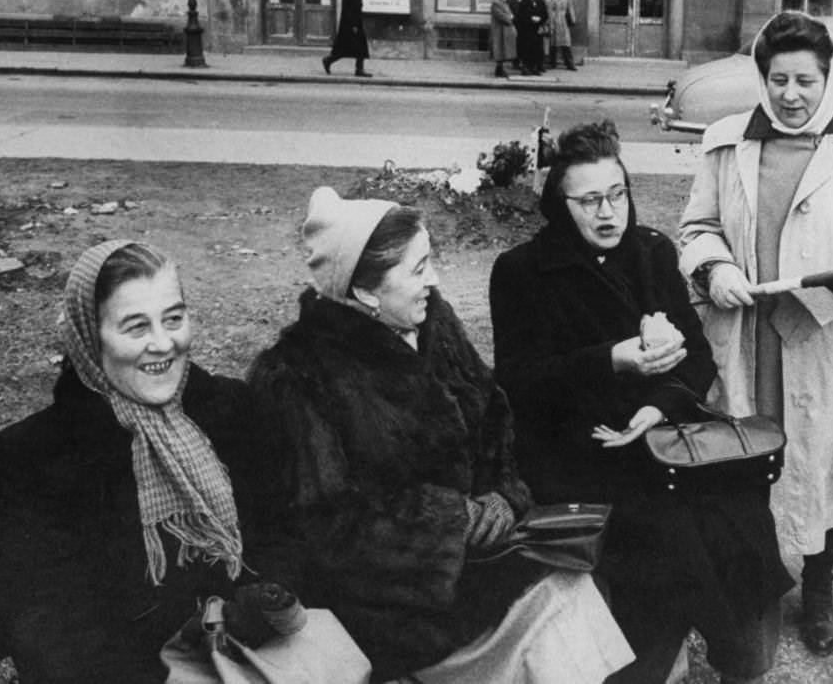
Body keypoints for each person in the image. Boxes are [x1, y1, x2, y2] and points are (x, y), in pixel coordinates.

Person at [246, 187, 632, 684]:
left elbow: (494, 418)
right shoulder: (298, 377)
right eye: (417, 268)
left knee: (568, 586)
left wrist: (502, 497)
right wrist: (453, 523)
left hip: (482, 562)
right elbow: (328, 528)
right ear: (365, 292)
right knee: (558, 604)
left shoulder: (432, 324)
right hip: (397, 605)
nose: (434, 279)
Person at [490, 121, 793, 684]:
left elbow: (698, 356)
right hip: (576, 449)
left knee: (739, 506)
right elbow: (516, 383)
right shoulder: (521, 272)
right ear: (560, 206)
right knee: (670, 530)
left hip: (660, 434)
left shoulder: (652, 252)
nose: (607, 213)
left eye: (617, 194)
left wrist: (656, 408)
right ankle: (685, 662)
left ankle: (741, 659)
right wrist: (611, 360)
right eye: (588, 201)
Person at [678, 11, 833, 661]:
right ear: (761, 77)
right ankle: (750, 580)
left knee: (825, 458)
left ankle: (818, 584)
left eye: (805, 80)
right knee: (745, 456)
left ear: (829, 78)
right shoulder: (725, 142)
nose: (791, 94)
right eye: (779, 78)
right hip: (749, 334)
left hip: (827, 340)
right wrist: (716, 265)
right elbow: (696, 225)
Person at [0, 240, 270, 683]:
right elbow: (51, 627)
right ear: (89, 338)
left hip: (256, 656)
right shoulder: (32, 458)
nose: (163, 343)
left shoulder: (230, 411)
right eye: (136, 327)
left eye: (174, 318)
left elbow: (284, 536)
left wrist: (249, 616)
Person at [323, 0, 371, 77]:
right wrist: (354, 26)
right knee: (349, 48)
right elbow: (349, 11)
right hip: (351, 26)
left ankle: (358, 69)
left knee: (354, 48)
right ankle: (328, 60)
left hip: (353, 24)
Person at [544, 0, 577, 71]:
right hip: (552, 18)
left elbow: (570, 5)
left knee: (566, 42)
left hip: (562, 19)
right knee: (552, 43)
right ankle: (552, 62)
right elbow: (546, 5)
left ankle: (569, 63)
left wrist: (573, 17)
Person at [513, 0, 547, 76]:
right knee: (526, 51)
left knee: (536, 51)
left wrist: (540, 19)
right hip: (526, 32)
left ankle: (534, 68)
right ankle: (526, 68)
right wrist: (530, 18)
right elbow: (520, 16)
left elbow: (545, 14)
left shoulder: (540, 2)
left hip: (536, 31)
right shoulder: (524, 3)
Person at [490, 0, 517, 79]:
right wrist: (509, 18)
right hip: (499, 30)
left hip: (503, 30)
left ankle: (499, 69)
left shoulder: (502, 1)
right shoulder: (496, 2)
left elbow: (509, 13)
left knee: (502, 50)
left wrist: (510, 16)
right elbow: (500, 15)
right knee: (499, 50)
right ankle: (499, 69)